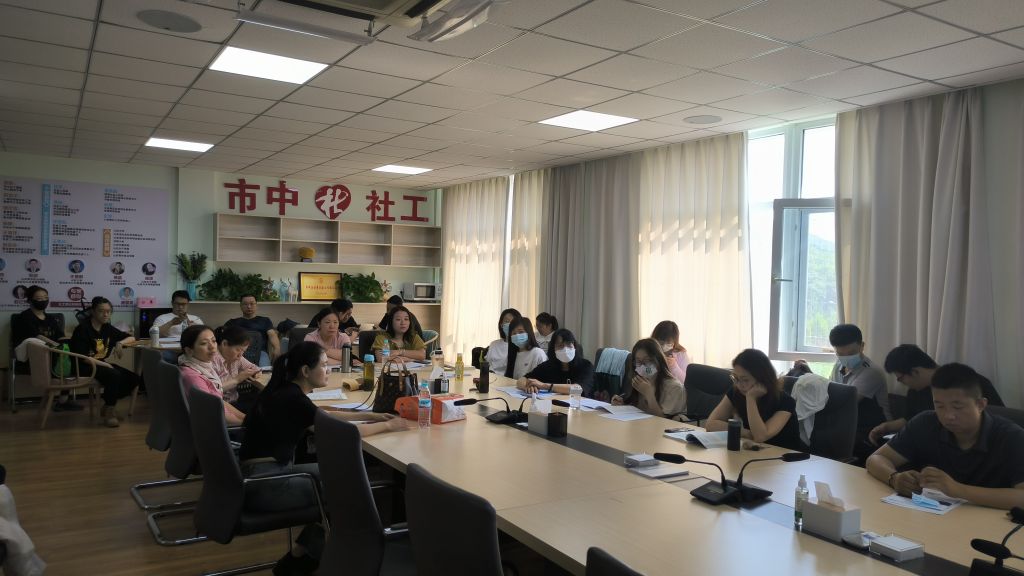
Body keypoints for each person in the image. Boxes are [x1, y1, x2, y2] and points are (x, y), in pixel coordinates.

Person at [240, 341, 407, 574]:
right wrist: (389, 426)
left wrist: (373, 416)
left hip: (261, 475)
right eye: (325, 365)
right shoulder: (293, 399)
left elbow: (323, 415)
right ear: (305, 371)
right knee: (351, 492)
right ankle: (344, 561)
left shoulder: (285, 390)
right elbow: (346, 433)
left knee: (346, 480)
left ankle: (301, 557)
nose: (329, 370)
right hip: (267, 484)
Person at [866, 363, 1024, 510]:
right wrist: (894, 478)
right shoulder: (925, 423)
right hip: (930, 517)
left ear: (981, 404)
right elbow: (876, 458)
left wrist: (958, 490)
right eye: (939, 406)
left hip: (988, 522)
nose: (948, 416)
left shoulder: (1011, 437)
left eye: (957, 407)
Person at [871, 344, 1005, 445]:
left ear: (915, 372)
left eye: (900, 378)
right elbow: (910, 419)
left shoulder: (970, 382)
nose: (901, 383)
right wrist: (887, 427)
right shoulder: (916, 390)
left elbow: (998, 419)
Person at [706, 349, 801, 450]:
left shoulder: (785, 401)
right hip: (756, 452)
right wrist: (744, 432)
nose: (739, 385)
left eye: (745, 380)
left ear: (762, 378)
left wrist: (751, 398)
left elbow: (760, 436)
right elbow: (711, 424)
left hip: (787, 455)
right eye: (736, 378)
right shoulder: (736, 392)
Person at [69, 296, 140, 427]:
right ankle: (110, 412)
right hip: (84, 366)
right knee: (114, 374)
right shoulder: (82, 329)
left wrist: (119, 343)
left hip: (100, 363)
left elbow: (132, 338)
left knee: (134, 379)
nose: (106, 314)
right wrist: (106, 364)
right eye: (101, 311)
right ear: (93, 311)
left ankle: (107, 405)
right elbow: (83, 357)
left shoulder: (107, 327)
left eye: (108, 311)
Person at [11, 286, 82, 412]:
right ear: (30, 300)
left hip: (54, 353)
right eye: (39, 298)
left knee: (72, 359)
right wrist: (55, 346)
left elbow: (60, 336)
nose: (43, 300)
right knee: (64, 362)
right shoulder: (24, 317)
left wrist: (70, 343)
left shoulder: (50, 319)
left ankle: (63, 401)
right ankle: (60, 401)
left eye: (45, 298)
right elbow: (36, 336)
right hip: (33, 357)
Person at [828, 323, 891, 459]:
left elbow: (846, 402)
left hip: (874, 430)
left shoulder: (871, 372)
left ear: (862, 346)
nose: (846, 358)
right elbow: (830, 392)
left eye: (851, 353)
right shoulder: (838, 365)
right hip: (850, 423)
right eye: (840, 354)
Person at [178, 325, 246, 426]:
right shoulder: (192, 376)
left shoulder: (203, 367)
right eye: (204, 343)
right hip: (213, 429)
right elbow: (215, 414)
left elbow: (219, 401)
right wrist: (247, 424)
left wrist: (245, 418)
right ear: (189, 351)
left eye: (213, 341)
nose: (212, 346)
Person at [611, 338, 685, 418]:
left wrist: (649, 395)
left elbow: (663, 421)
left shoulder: (674, 387)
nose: (642, 366)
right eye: (638, 361)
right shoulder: (637, 380)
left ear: (658, 360)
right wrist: (622, 405)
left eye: (647, 361)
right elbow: (637, 411)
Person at [518, 328, 594, 396]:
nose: (565, 349)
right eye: (560, 345)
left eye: (569, 344)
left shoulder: (586, 366)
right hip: (554, 405)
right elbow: (522, 380)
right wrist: (528, 386)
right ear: (553, 349)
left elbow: (578, 390)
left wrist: (544, 386)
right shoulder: (547, 366)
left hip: (579, 405)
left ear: (574, 346)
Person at [212, 325, 262, 414]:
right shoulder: (212, 360)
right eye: (238, 350)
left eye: (243, 351)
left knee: (264, 402)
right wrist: (238, 379)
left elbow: (255, 368)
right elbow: (212, 390)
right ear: (224, 344)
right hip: (221, 407)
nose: (240, 355)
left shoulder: (237, 358)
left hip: (234, 399)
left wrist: (256, 373)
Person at [225, 294, 280, 364]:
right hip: (238, 352)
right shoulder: (232, 322)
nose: (249, 306)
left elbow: (272, 335)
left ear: (256, 305)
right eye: (245, 304)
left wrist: (277, 348)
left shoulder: (265, 320)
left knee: (265, 368)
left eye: (252, 304)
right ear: (240, 306)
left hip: (260, 352)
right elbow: (222, 336)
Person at [651, 320, 691, 385]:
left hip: (674, 389)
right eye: (661, 343)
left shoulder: (681, 354)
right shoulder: (648, 350)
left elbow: (686, 381)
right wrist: (655, 366)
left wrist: (674, 366)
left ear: (674, 342)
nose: (664, 346)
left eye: (668, 343)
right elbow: (642, 372)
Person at [485, 308, 521, 375]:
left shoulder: (520, 346)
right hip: (492, 378)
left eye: (513, 322)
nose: (510, 324)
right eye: (507, 321)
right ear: (501, 325)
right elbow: (488, 365)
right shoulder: (494, 344)